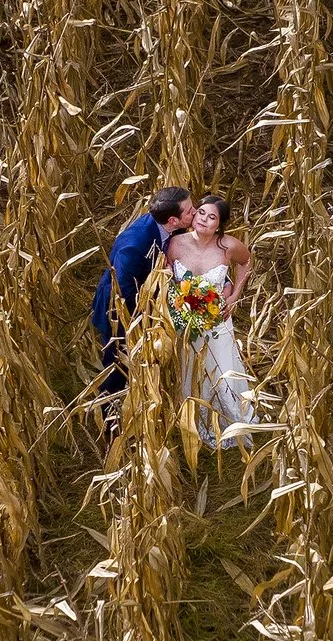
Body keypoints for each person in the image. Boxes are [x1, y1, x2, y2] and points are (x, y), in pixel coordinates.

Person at [90, 185, 195, 429]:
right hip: (121, 314)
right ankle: (110, 422)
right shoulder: (134, 245)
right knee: (117, 365)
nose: (195, 212)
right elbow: (124, 291)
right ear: (173, 220)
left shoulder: (165, 227)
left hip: (146, 307)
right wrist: (148, 315)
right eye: (190, 210)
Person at [164, 193, 257, 448]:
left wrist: (235, 294)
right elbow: (165, 276)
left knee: (222, 372)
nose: (204, 219)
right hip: (186, 325)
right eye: (201, 213)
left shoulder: (228, 246)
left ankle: (231, 421)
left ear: (220, 224)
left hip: (217, 325)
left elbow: (246, 262)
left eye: (212, 217)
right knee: (190, 371)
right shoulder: (175, 244)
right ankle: (195, 421)